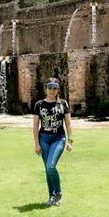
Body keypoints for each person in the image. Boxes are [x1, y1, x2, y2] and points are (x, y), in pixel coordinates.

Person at [33, 78, 73, 206]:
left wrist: (70, 141)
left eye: (55, 88)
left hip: (58, 138)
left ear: (58, 89)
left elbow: (68, 123)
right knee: (47, 169)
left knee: (51, 166)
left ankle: (58, 192)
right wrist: (36, 144)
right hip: (43, 138)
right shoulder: (39, 104)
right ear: (46, 88)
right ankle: (51, 196)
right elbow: (35, 126)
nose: (52, 90)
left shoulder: (62, 103)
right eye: (50, 87)